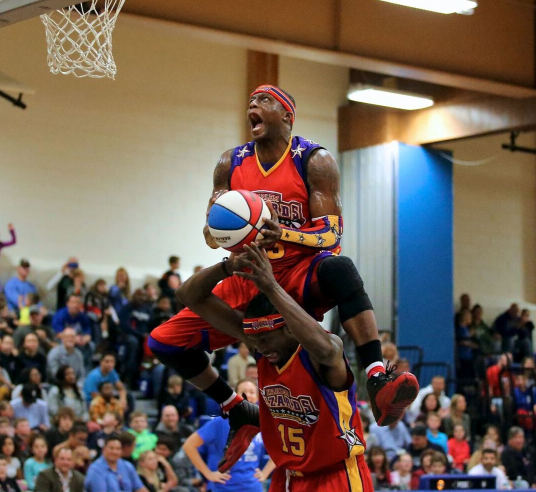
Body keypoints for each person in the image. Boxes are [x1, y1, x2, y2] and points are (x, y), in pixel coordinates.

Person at [149, 86, 418, 458]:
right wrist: (223, 230)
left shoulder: (314, 160)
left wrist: (285, 232)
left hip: (297, 273)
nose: (252, 106)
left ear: (287, 116)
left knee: (340, 268)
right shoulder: (231, 162)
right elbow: (210, 235)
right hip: (248, 275)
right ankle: (236, 409)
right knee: (163, 341)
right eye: (250, 102)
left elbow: (333, 234)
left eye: (264, 101)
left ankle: (375, 373)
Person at [177, 243, 373, 489]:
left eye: (266, 339)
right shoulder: (261, 346)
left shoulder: (322, 352)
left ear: (289, 329)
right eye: (254, 339)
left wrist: (270, 285)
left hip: (335, 476)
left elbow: (327, 349)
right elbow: (188, 295)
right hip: (287, 476)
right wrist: (227, 266)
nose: (260, 346)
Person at [183, 379, 274, 491]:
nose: (248, 395)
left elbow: (281, 449)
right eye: (243, 391)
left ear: (257, 397)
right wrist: (208, 474)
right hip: (224, 487)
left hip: (253, 487)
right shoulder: (220, 422)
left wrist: (265, 473)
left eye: (252, 392)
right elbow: (189, 446)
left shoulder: (263, 424)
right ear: (235, 397)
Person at [84, 435, 149, 492]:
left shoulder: (127, 466)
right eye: (111, 448)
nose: (115, 452)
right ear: (104, 449)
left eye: (118, 449)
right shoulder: (95, 470)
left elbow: (140, 488)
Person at [51, 295, 92, 369]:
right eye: (73, 302)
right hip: (62, 340)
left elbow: (87, 331)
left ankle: (86, 369)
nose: (75, 305)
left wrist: (85, 338)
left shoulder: (83, 316)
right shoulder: (60, 315)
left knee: (91, 346)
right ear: (67, 304)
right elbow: (59, 333)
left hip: (79, 340)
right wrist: (73, 339)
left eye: (78, 303)